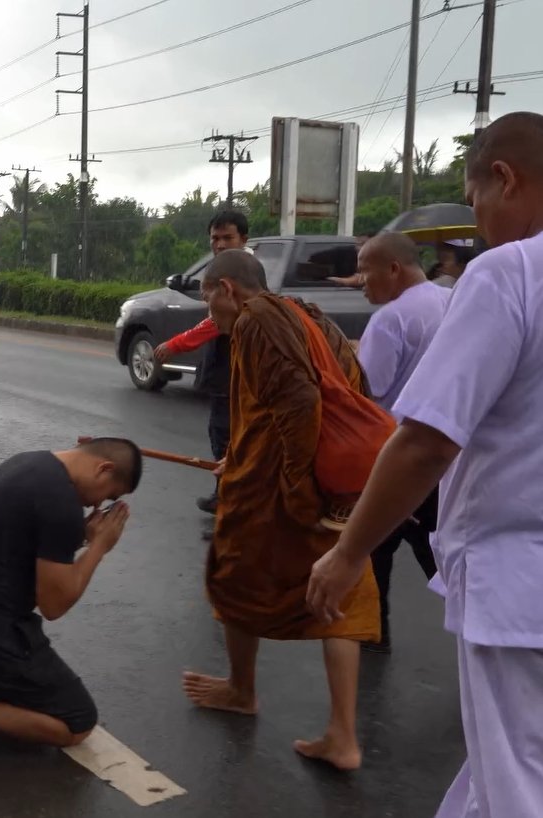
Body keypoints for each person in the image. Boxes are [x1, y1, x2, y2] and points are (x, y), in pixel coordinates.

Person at [307, 111, 543, 816]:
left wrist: (348, 552)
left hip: (519, 581)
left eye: (474, 204)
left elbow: (425, 440)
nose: (478, 225)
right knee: (497, 764)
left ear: (502, 178)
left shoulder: (510, 274)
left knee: (515, 778)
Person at [183, 249, 381, 772]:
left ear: (227, 288)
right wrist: (242, 450)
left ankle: (242, 691)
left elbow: (297, 401)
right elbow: (353, 387)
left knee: (233, 579)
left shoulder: (255, 321)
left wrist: (295, 486)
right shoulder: (306, 314)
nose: (209, 313)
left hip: (279, 492)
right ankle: (343, 735)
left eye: (208, 297)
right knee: (342, 599)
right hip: (332, 485)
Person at [0, 438, 141, 763]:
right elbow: (54, 605)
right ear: (104, 469)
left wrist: (79, 538)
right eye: (109, 494)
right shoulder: (62, 503)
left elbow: (24, 549)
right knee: (77, 719)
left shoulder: (30, 464)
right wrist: (99, 547)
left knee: (26, 692)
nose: (98, 506)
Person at [353, 232, 449, 653]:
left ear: (393, 268)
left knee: (373, 547)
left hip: (394, 454)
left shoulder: (390, 319)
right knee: (439, 552)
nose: (360, 281)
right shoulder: (448, 302)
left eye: (364, 270)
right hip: (444, 456)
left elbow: (368, 389)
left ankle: (372, 633)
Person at [152, 210, 252, 515]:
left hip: (235, 371)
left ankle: (231, 502)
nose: (220, 244)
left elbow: (213, 325)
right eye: (215, 238)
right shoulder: (228, 268)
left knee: (227, 437)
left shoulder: (243, 273)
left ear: (243, 239)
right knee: (228, 437)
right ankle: (227, 496)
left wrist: (175, 344)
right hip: (227, 369)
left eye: (227, 238)